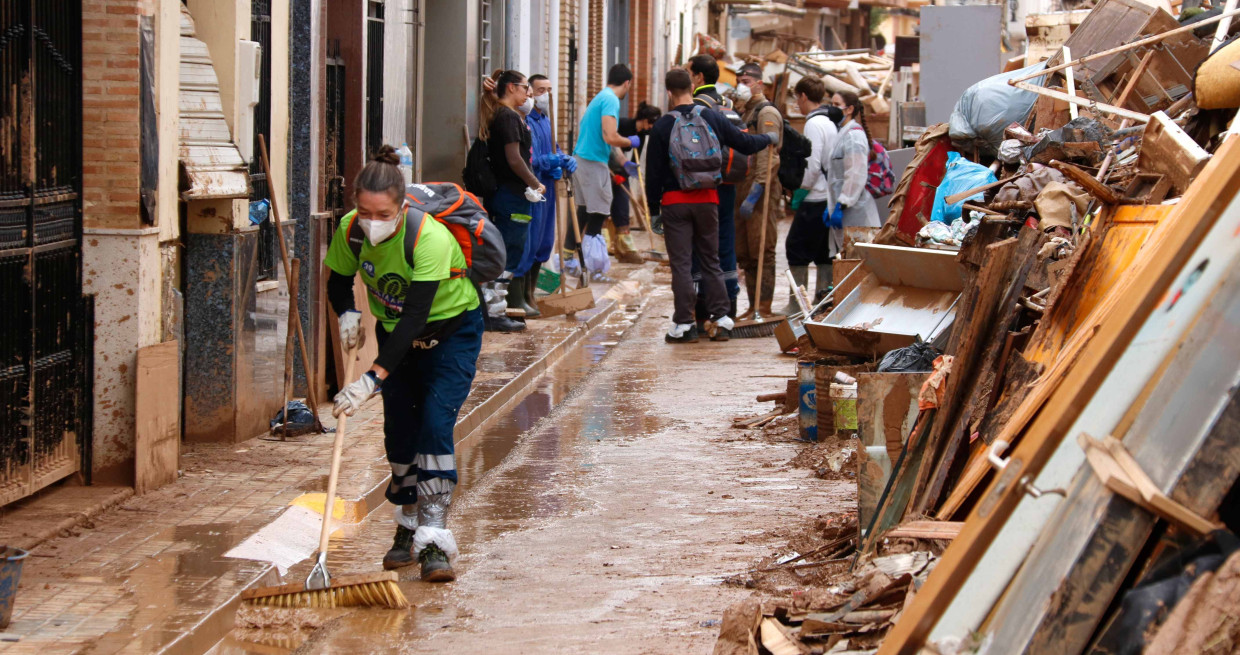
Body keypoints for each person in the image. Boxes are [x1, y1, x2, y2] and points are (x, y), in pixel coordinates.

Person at [326, 146, 484, 582]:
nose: (371, 222)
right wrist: (348, 313)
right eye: (363, 211)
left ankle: (434, 540)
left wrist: (373, 377)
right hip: (396, 336)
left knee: (434, 425)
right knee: (399, 435)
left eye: (382, 214)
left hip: (450, 334)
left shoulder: (428, 238)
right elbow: (338, 279)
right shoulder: (350, 230)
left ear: (401, 208)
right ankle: (408, 524)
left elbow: (416, 315)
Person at [645, 67, 778, 343]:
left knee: (682, 265)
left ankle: (684, 325)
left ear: (669, 92)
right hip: (708, 200)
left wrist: (654, 210)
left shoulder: (662, 125)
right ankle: (721, 319)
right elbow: (743, 142)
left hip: (675, 203)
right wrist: (768, 138)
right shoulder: (711, 116)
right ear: (691, 89)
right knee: (711, 260)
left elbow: (653, 174)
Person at [480, 69, 545, 331]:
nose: (528, 93)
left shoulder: (507, 115)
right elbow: (514, 158)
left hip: (512, 195)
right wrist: (535, 182)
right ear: (510, 88)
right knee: (509, 250)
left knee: (511, 249)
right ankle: (494, 312)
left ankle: (496, 307)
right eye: (524, 87)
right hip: (511, 196)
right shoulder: (507, 117)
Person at [566, 64, 640, 275]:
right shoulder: (610, 100)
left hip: (584, 159)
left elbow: (606, 142)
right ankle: (593, 265)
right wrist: (630, 141)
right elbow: (611, 136)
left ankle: (569, 259)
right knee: (598, 213)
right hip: (591, 163)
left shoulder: (601, 97)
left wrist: (623, 162)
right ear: (627, 83)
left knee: (582, 211)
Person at [689, 54, 742, 320]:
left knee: (701, 244)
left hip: (703, 186)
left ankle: (702, 308)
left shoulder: (697, 107)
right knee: (725, 242)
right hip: (729, 184)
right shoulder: (729, 104)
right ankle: (729, 304)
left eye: (690, 74)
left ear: (698, 77)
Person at [784, 75, 842, 312]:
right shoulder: (829, 122)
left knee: (795, 248)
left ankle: (797, 305)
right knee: (823, 252)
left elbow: (812, 162)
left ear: (804, 96)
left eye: (797, 98)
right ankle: (823, 302)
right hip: (827, 196)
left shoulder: (813, 124)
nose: (797, 103)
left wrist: (799, 190)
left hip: (815, 196)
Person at [522, 74, 577, 316]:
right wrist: (546, 161)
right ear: (531, 93)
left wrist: (564, 157)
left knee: (545, 241)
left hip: (550, 187)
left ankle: (532, 293)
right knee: (532, 241)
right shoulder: (527, 121)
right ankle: (523, 296)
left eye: (550, 89)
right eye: (542, 90)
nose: (547, 95)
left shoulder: (546, 119)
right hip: (535, 189)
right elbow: (529, 157)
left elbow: (554, 146)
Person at [733, 62, 782, 318]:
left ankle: (764, 306)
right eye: (739, 80)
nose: (742, 85)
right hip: (742, 189)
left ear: (759, 83)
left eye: (747, 80)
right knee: (746, 252)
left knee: (762, 249)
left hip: (760, 192)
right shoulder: (745, 112)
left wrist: (757, 189)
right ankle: (752, 306)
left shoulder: (766, 113)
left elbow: (768, 156)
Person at [825, 91, 881, 257]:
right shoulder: (843, 134)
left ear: (849, 109)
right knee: (846, 260)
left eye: (836, 105)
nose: (831, 108)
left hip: (856, 213)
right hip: (844, 211)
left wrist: (841, 204)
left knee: (857, 263)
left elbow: (855, 174)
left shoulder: (854, 136)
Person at [608, 102, 662, 264]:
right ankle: (605, 247)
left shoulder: (642, 135)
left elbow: (634, 157)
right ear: (644, 119)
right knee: (603, 211)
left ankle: (624, 248)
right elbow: (610, 146)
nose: (651, 127)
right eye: (651, 123)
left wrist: (629, 172)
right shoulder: (623, 124)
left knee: (622, 208)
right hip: (607, 170)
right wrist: (613, 172)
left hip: (621, 174)